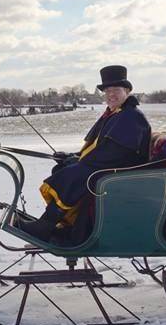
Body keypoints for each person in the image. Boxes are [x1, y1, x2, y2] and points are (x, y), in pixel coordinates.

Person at [19, 65, 151, 242]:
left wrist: (80, 161)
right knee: (63, 168)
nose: (111, 94)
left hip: (123, 172)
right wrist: (73, 156)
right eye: (107, 90)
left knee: (73, 175)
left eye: (116, 90)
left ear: (127, 90)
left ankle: (44, 226)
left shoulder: (131, 116)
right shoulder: (116, 113)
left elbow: (115, 153)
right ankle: (71, 225)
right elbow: (100, 147)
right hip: (113, 166)